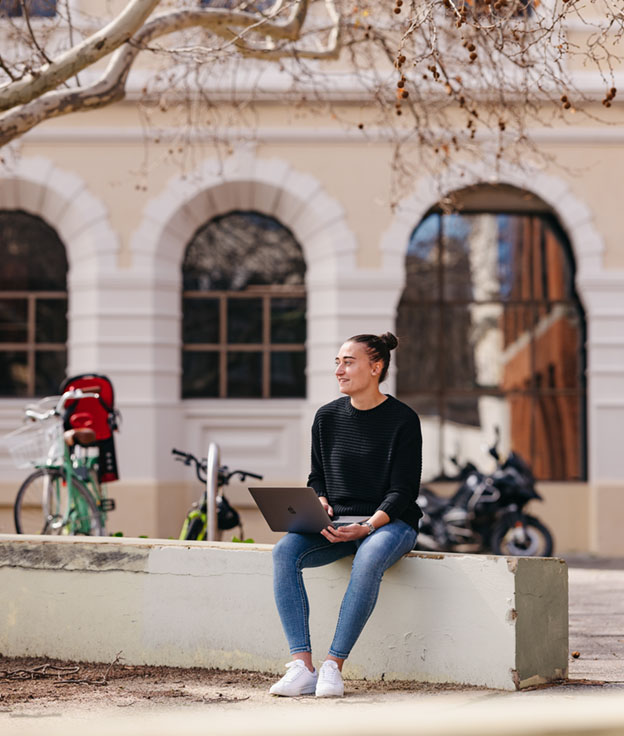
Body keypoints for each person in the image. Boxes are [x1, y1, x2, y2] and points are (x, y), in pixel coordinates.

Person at [270, 332, 422, 698]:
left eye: (348, 362)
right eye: (337, 362)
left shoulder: (403, 420)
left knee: (368, 557)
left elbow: (403, 493)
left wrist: (367, 527)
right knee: (284, 552)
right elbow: (317, 476)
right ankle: (302, 666)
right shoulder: (326, 418)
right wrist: (320, 501)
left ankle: (333, 666)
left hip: (391, 523)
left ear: (376, 367)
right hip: (338, 523)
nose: (339, 370)